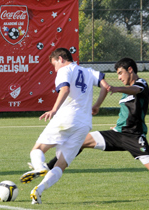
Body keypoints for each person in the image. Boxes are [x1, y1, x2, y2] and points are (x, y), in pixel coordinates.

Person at [31, 57, 149, 199]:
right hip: (116, 134)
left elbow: (136, 90)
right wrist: (104, 111)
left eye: (120, 73)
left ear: (130, 70)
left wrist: (115, 88)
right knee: (80, 142)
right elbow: (126, 112)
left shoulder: (141, 84)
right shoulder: (126, 89)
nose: (119, 77)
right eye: (117, 75)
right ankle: (47, 167)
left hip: (134, 137)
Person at [20, 48, 109, 204]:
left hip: (67, 118)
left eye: (54, 64)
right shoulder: (88, 71)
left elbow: (65, 89)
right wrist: (97, 105)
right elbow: (106, 86)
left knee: (38, 149)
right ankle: (39, 190)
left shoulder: (64, 70)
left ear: (60, 59)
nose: (54, 69)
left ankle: (39, 167)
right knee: (61, 164)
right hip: (84, 123)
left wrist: (54, 109)